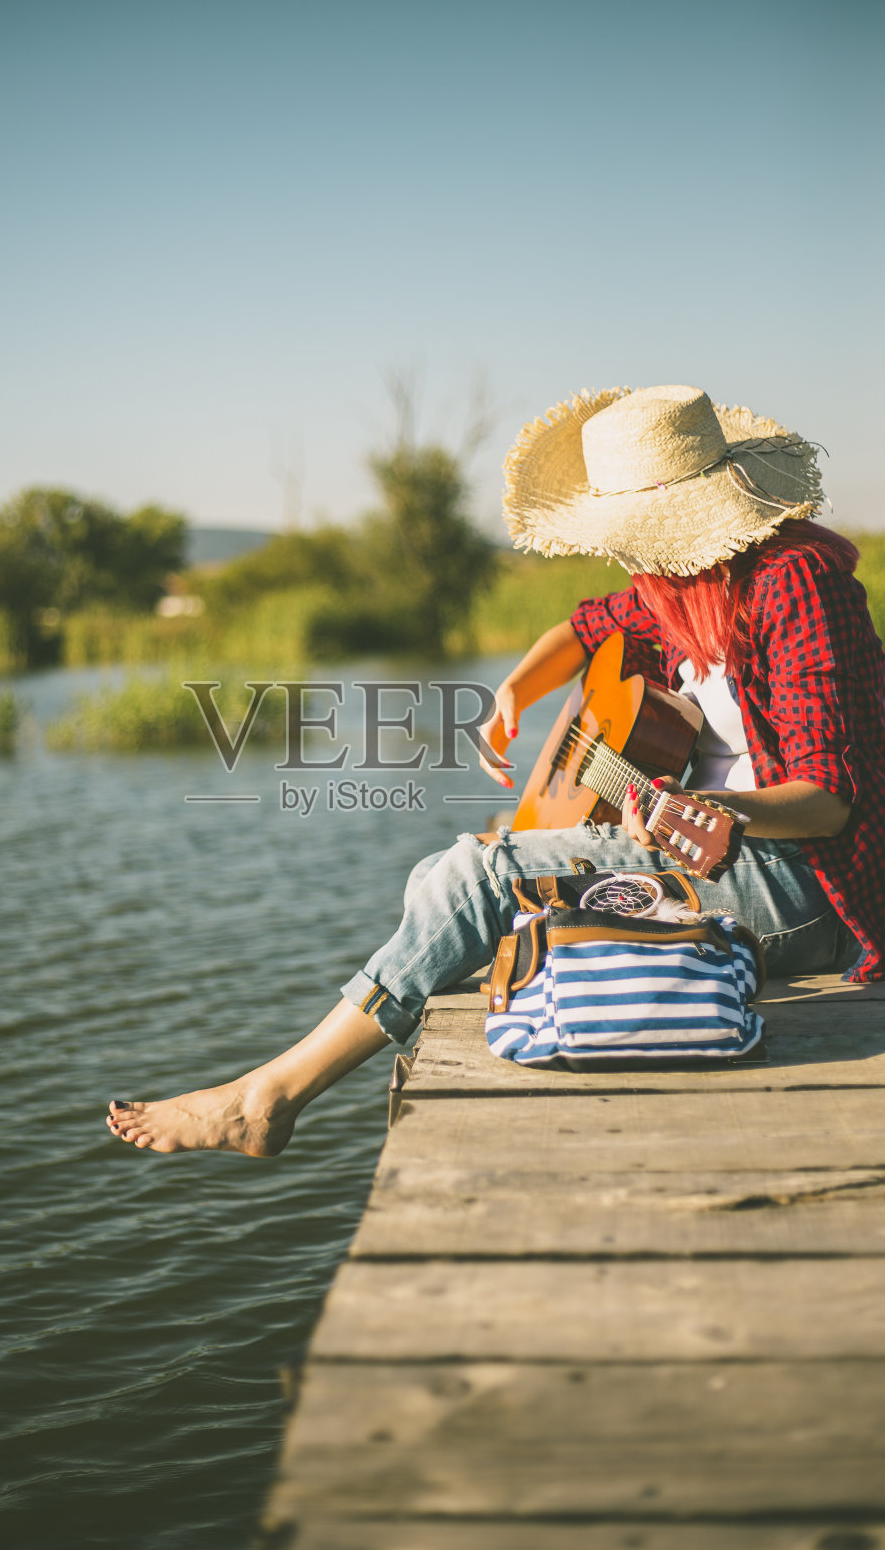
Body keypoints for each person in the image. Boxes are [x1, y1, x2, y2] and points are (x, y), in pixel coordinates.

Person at [108, 384, 885, 1156]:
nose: (626, 552)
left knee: (471, 880)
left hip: (802, 887)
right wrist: (513, 693)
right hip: (715, 857)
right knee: (432, 883)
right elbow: (583, 628)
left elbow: (828, 801)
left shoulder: (796, 584)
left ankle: (265, 1097)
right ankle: (533, 1030)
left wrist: (701, 806)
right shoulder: (681, 584)